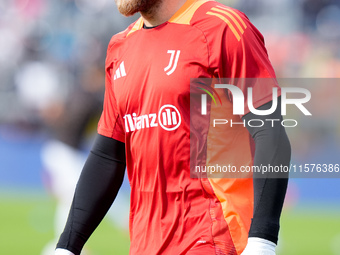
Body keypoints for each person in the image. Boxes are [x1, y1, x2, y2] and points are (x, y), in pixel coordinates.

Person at [55, 0, 291, 254]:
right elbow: (108, 154)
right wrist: (67, 247)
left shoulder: (222, 27)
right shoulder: (120, 47)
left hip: (213, 239)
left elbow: (270, 130)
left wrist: (262, 241)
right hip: (145, 244)